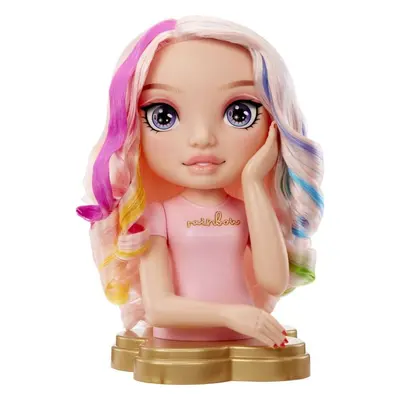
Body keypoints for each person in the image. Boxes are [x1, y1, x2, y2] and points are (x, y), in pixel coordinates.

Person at [76, 16, 324, 349]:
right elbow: (159, 308)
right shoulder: (156, 215)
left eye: (240, 113)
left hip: (246, 337)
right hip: (181, 343)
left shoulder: (246, 210)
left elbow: (274, 281)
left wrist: (253, 181)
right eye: (163, 116)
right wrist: (231, 315)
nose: (203, 138)